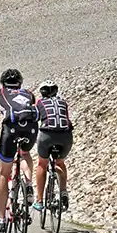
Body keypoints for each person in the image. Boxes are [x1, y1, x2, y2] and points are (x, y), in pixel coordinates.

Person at [0, 69, 38, 233]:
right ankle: (28, 183)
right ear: (20, 83)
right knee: (25, 154)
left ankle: (1, 220)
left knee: (4, 172)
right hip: (30, 130)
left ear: (2, 83)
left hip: (10, 131)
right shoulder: (29, 93)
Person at [33, 80, 72, 213]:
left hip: (46, 136)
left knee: (42, 164)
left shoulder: (39, 103)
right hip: (65, 136)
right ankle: (63, 191)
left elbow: (35, 119)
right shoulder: (63, 102)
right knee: (60, 163)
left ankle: (39, 201)